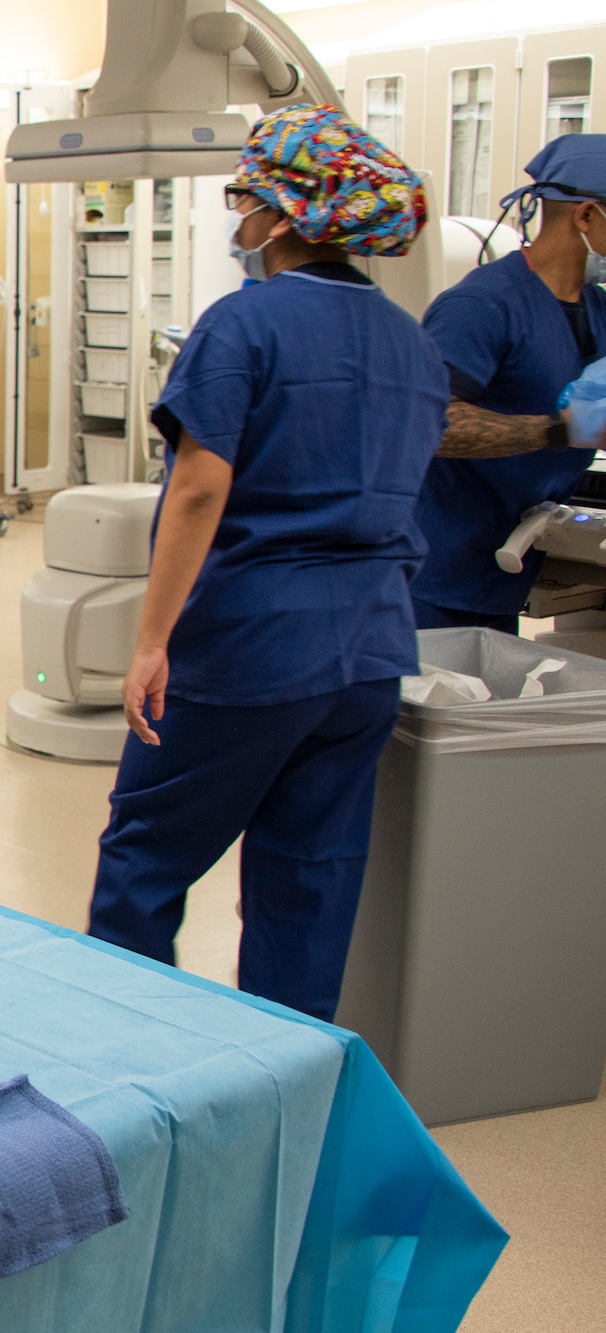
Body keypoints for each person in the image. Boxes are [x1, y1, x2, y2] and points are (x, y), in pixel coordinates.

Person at [87, 105, 449, 1022]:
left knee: (145, 862)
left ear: (285, 214)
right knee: (307, 886)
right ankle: (282, 1082)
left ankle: (116, 1065)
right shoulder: (412, 341)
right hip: (369, 654)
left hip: (252, 646)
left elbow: (200, 490)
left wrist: (151, 640)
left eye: (243, 198)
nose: (236, 217)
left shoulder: (244, 324)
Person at [411, 134, 606, 633]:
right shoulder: (483, 305)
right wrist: (560, 430)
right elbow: (433, 424)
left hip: (503, 571)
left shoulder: (596, 308)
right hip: (433, 575)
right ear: (585, 216)